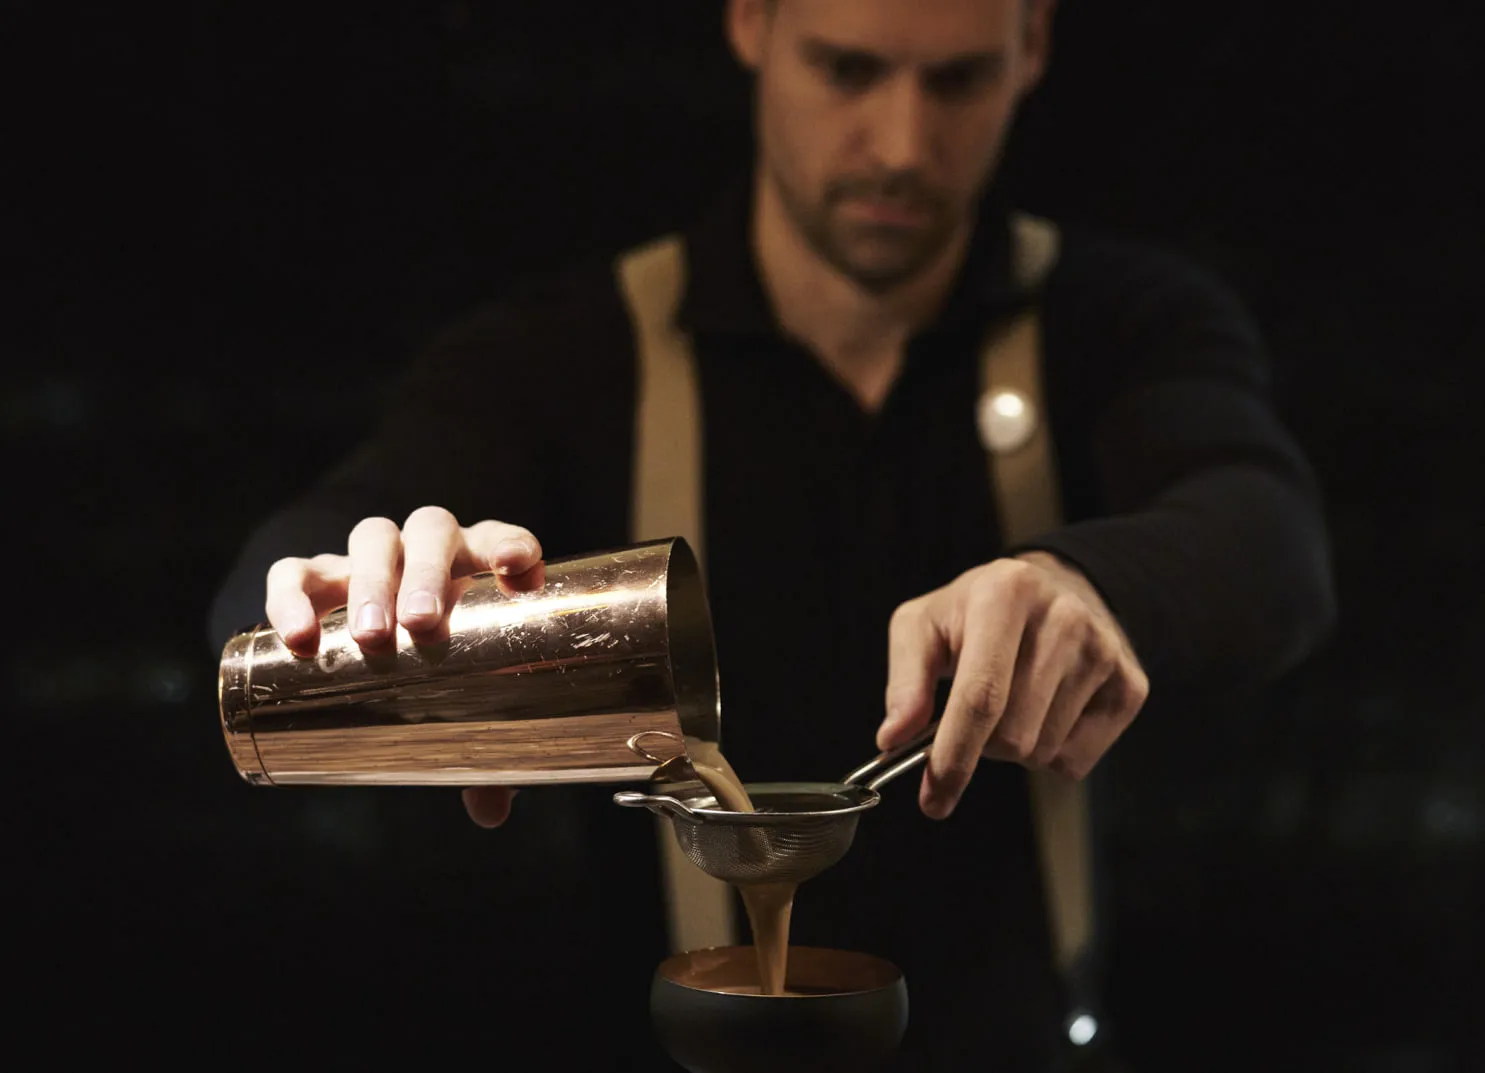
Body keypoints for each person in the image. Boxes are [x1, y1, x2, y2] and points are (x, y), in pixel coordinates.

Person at [210, 0, 1335, 1068]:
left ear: (1033, 43)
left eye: (959, 79)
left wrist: (1094, 585)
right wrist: (349, 591)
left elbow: (1267, 533)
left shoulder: (1122, 322)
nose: (901, 145)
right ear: (751, 20)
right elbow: (288, 562)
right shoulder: (559, 358)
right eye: (847, 68)